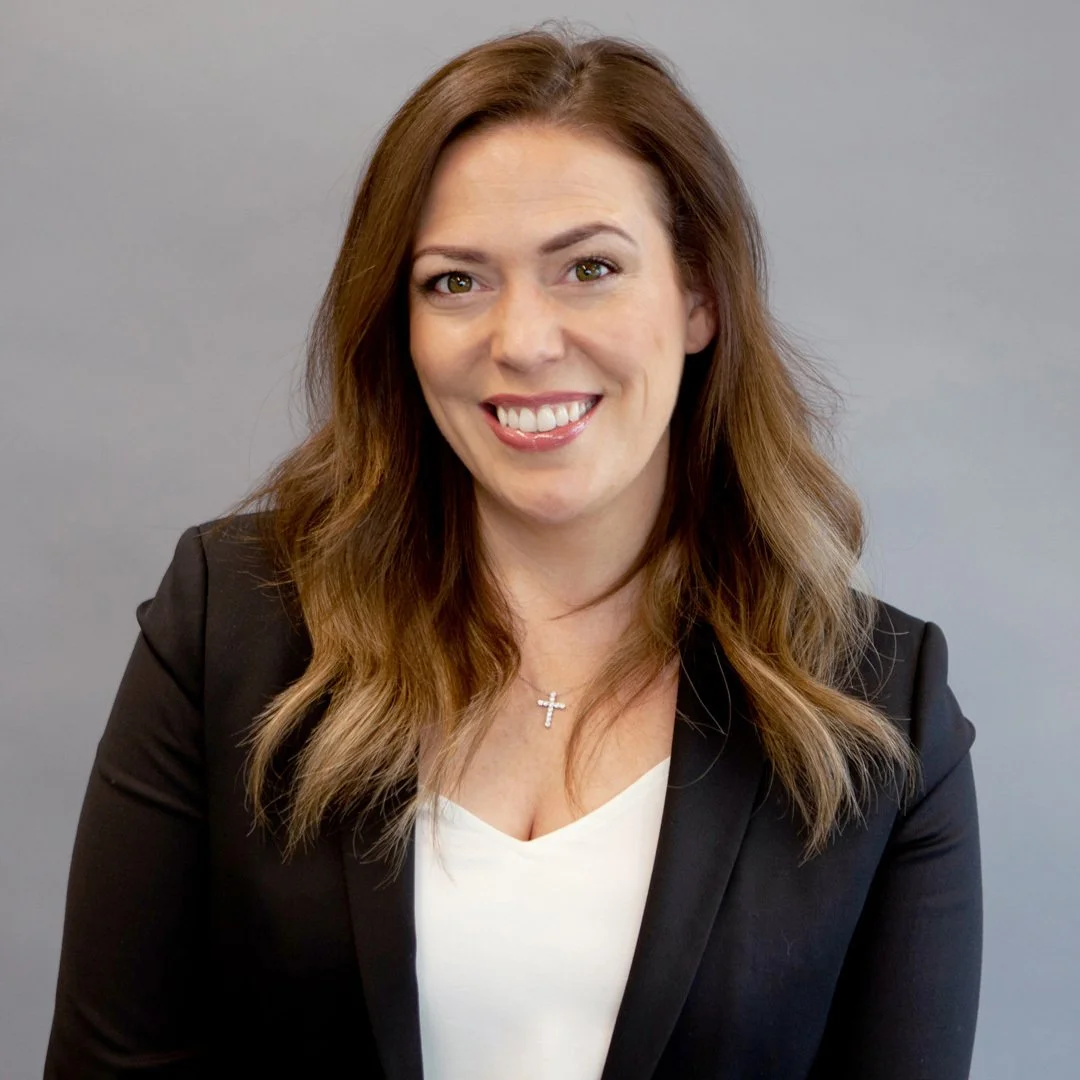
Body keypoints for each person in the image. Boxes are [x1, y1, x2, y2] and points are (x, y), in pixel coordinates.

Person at [44, 23, 982, 1080]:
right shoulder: (229, 625)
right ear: (396, 324)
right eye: (455, 281)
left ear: (699, 298)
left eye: (589, 267)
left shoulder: (879, 709)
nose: (524, 341)